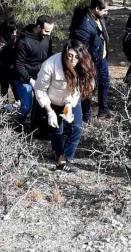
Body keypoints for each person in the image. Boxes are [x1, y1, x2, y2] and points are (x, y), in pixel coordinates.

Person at [33, 40, 96, 173]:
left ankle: (64, 159)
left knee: (77, 128)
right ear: (65, 54)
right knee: (57, 130)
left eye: (77, 57)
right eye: (70, 56)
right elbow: (39, 89)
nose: (73, 60)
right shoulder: (50, 65)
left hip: (71, 100)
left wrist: (68, 106)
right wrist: (49, 111)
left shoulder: (83, 66)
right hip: (52, 101)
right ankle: (57, 152)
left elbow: (79, 88)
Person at [70, 0, 112, 121]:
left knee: (104, 83)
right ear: (97, 8)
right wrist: (87, 66)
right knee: (88, 89)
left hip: (101, 59)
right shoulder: (84, 24)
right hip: (90, 63)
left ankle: (103, 111)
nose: (106, 13)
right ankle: (86, 117)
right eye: (105, 10)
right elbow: (81, 49)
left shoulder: (98, 17)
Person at [13, 15, 55, 128]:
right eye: (46, 31)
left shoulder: (47, 37)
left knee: (41, 105)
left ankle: (36, 127)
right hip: (24, 79)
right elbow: (18, 64)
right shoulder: (23, 41)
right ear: (38, 27)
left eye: (50, 31)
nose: (49, 34)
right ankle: (16, 126)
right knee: (26, 107)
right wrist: (29, 79)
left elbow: (49, 55)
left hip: (41, 76)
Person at [0, 19, 18, 100]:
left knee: (13, 84)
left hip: (8, 65)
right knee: (5, 84)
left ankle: (17, 101)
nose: (15, 32)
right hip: (1, 66)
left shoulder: (7, 36)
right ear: (8, 31)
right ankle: (5, 104)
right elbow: (3, 56)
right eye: (13, 30)